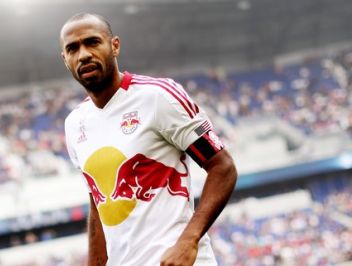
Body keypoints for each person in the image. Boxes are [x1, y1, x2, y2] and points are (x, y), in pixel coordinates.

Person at [60, 13, 237, 266]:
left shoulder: (157, 97)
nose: (84, 54)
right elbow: (98, 206)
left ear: (115, 45)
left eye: (92, 42)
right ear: (65, 59)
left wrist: (189, 241)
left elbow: (223, 167)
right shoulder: (74, 124)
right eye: (72, 48)